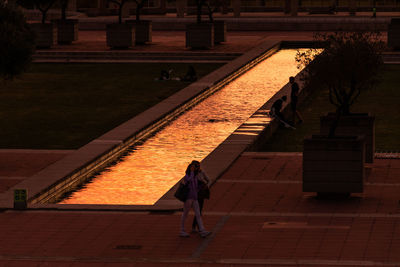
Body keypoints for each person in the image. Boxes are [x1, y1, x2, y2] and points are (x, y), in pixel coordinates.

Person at [180, 161, 211, 238]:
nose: (197, 168)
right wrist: (192, 172)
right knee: (185, 214)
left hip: (195, 198)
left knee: (198, 214)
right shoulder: (187, 176)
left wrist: (203, 187)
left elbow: (197, 187)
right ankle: (182, 230)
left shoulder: (196, 176)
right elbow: (189, 180)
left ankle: (202, 230)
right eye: (195, 167)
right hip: (188, 198)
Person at [191, 160, 210, 233]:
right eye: (196, 166)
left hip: (201, 194)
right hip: (193, 195)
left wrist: (206, 186)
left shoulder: (202, 172)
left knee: (199, 211)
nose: (198, 167)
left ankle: (196, 227)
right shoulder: (191, 174)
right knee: (197, 211)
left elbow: (208, 180)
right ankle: (198, 228)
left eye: (198, 166)